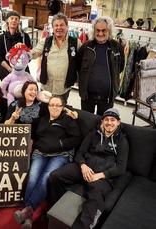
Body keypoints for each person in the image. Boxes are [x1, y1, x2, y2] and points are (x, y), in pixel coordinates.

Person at [48, 108, 129, 229]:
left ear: (118, 122)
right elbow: (80, 152)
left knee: (95, 197)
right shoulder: (93, 133)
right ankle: (54, 207)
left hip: (103, 177)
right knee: (55, 176)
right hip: (85, 168)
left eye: (113, 120)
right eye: (106, 119)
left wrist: (100, 175)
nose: (109, 123)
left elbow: (121, 168)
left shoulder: (122, 140)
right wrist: (83, 165)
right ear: (102, 121)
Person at [13, 96, 81, 229]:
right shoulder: (43, 119)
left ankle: (27, 210)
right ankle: (29, 217)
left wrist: (60, 144)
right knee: (32, 177)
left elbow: (76, 138)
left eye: (58, 105)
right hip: (41, 153)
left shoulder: (68, 120)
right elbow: (31, 133)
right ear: (48, 106)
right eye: (52, 105)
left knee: (46, 177)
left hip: (60, 154)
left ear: (63, 108)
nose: (54, 108)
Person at [77, 16, 125, 116]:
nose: (100, 33)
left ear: (109, 31)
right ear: (94, 31)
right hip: (87, 96)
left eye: (104, 30)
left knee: (103, 123)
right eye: (97, 30)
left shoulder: (116, 47)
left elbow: (120, 68)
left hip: (107, 96)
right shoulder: (86, 46)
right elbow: (78, 67)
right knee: (86, 122)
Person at [30, 12, 81, 103]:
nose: (59, 28)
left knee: (60, 112)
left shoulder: (76, 43)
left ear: (67, 26)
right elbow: (33, 54)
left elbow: (82, 61)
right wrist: (21, 51)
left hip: (64, 89)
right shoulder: (45, 42)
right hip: (46, 88)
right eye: (56, 25)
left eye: (62, 25)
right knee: (44, 111)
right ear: (53, 28)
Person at [0, 11, 32, 79]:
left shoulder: (24, 36)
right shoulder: (1, 38)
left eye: (16, 19)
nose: (14, 20)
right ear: (7, 20)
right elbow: (0, 58)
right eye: (12, 18)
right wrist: (10, 70)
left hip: (22, 68)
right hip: (7, 68)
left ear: (18, 22)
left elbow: (30, 55)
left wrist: (24, 48)